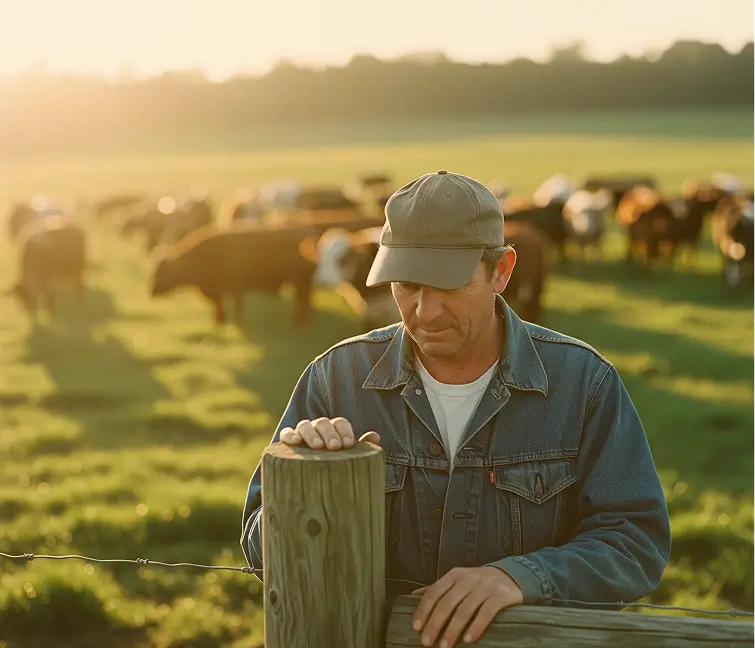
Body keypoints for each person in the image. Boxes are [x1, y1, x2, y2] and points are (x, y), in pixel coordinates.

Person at [241, 170, 671, 647]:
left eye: (449, 285)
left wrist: (523, 578)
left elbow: (635, 542)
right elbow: (260, 552)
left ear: (502, 272)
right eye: (405, 285)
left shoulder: (583, 384)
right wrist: (302, 478)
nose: (425, 312)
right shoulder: (335, 379)